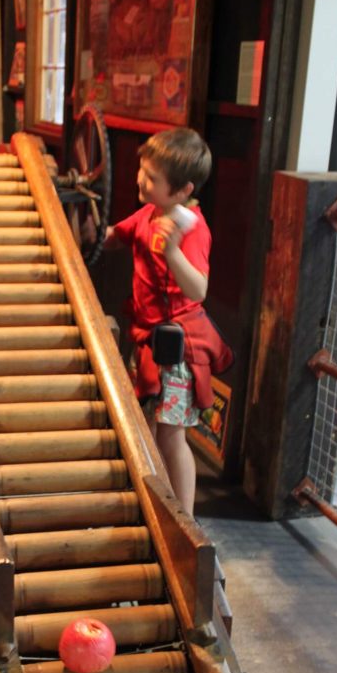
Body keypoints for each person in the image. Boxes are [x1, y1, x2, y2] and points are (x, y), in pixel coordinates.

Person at [103, 127, 233, 515]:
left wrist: (173, 249)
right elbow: (115, 236)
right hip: (148, 341)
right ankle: (161, 505)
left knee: (173, 435)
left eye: (151, 177)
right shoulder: (150, 212)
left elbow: (198, 289)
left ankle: (186, 520)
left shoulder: (190, 228)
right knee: (151, 427)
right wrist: (92, 232)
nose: (139, 180)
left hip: (178, 349)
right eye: (142, 170)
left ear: (182, 190)